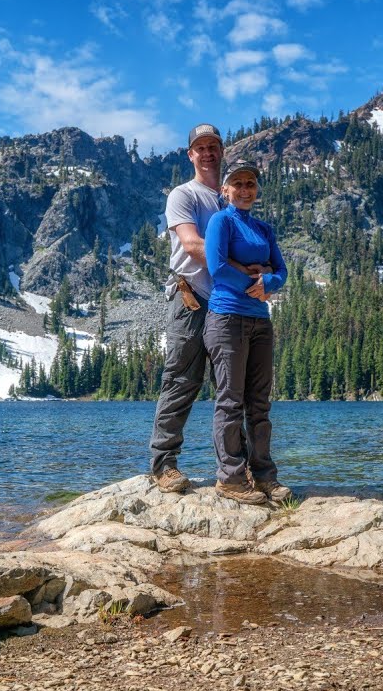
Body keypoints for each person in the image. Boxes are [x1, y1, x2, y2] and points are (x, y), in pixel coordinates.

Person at [203, 160, 290, 505]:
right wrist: (254, 283)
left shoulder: (264, 229)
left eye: (250, 184)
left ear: (257, 190)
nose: (244, 189)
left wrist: (268, 280)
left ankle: (265, 476)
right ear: (225, 190)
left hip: (260, 322)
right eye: (236, 183)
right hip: (226, 318)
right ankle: (230, 478)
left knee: (259, 404)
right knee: (230, 401)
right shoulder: (220, 221)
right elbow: (217, 267)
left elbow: (282, 271)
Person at [148, 123, 225, 493]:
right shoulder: (183, 195)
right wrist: (240, 267)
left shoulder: (229, 197)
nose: (207, 152)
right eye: (200, 147)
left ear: (221, 151)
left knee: (230, 389)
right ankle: (164, 465)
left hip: (227, 303)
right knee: (181, 380)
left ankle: (233, 471)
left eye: (213, 146)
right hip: (190, 298)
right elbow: (193, 245)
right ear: (190, 154)